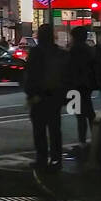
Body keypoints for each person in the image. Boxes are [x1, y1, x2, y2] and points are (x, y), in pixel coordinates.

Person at [24, 23, 68, 173]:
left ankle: (41, 158)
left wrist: (31, 94)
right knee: (55, 129)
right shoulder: (59, 52)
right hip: (55, 95)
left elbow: (30, 75)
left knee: (39, 129)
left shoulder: (36, 52)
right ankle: (56, 159)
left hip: (39, 96)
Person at [65, 26, 99, 155]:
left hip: (76, 85)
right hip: (86, 85)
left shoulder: (75, 50)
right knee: (88, 113)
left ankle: (82, 142)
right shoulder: (88, 50)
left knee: (80, 115)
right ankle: (93, 139)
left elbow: (70, 69)